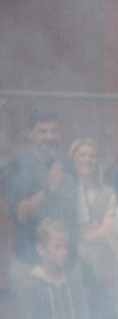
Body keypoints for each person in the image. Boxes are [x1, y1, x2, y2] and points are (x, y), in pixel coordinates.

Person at [4, 109, 65, 278]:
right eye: (42, 131)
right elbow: (21, 212)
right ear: (30, 135)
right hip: (28, 262)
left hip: (64, 264)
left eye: (54, 131)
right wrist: (49, 189)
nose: (49, 137)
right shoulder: (16, 167)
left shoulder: (66, 166)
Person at [65, 138, 117, 269]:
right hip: (69, 260)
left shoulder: (108, 193)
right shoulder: (64, 190)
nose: (87, 160)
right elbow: (61, 227)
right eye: (82, 155)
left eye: (92, 156)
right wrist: (93, 226)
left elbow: (107, 230)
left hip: (101, 262)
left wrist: (79, 235)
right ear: (72, 159)